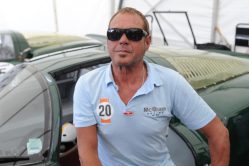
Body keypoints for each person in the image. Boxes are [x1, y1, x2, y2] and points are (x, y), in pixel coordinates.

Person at [73, 7, 230, 166]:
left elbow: (219, 133)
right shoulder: (87, 86)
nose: (122, 40)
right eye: (114, 33)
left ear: (147, 42)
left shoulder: (171, 82)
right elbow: (87, 153)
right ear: (108, 40)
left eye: (133, 34)